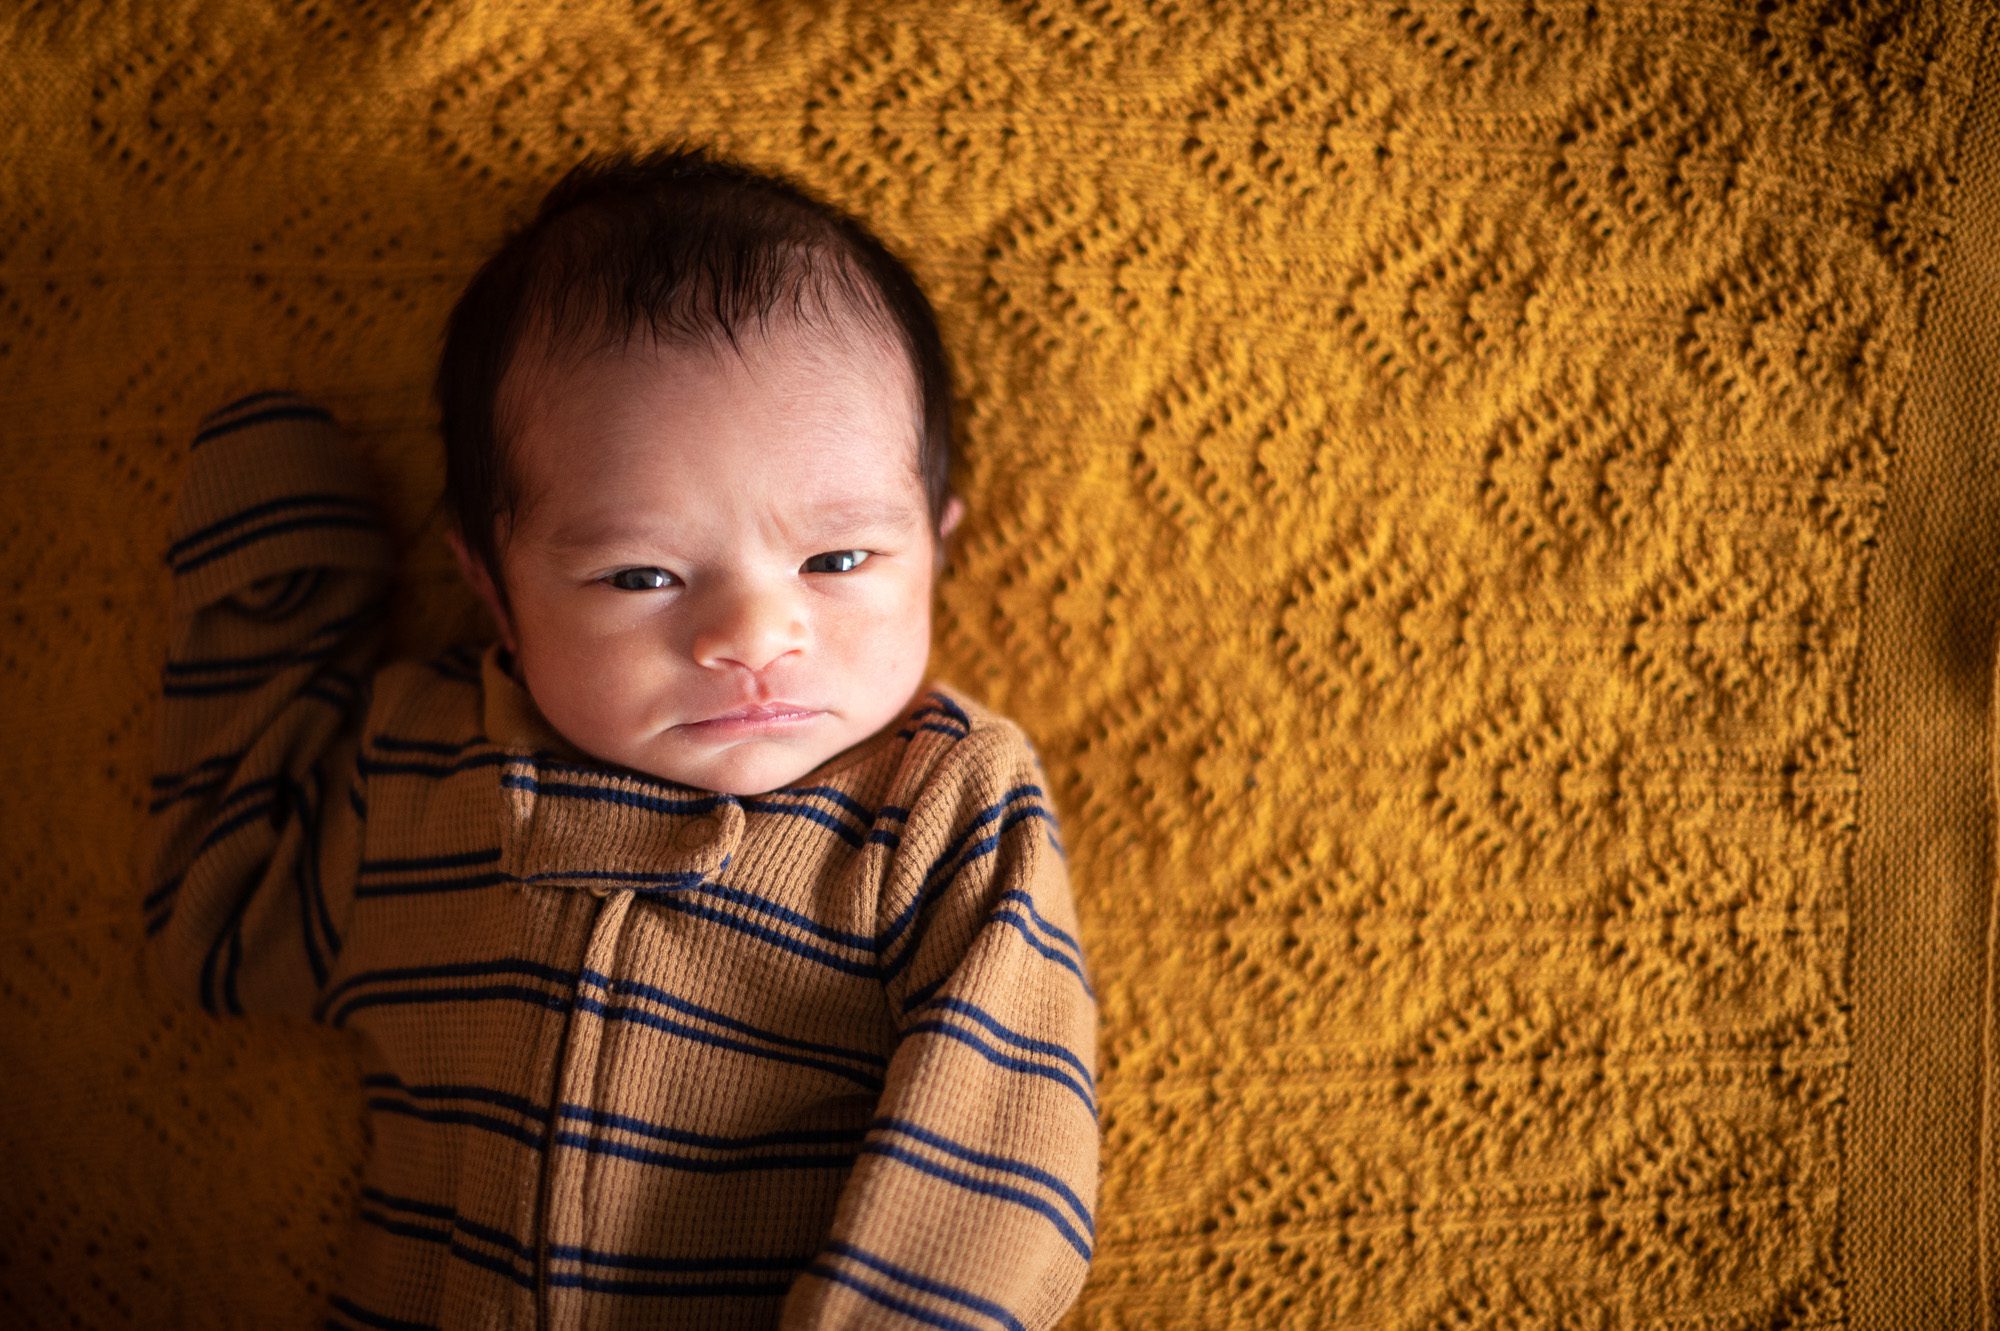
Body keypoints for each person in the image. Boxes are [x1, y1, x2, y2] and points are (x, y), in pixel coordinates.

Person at [142, 144, 1100, 1331]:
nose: (754, 633)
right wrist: (279, 608)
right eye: (640, 573)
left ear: (937, 545)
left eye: (837, 559)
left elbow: (1002, 1158)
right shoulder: (420, 768)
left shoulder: (940, 800)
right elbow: (225, 930)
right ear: (491, 590)